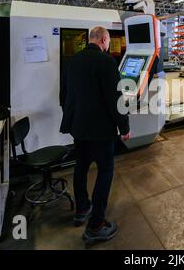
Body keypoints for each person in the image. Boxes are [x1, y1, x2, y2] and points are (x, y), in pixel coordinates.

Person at [60, 26, 131, 243]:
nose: (108, 45)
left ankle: (82, 209)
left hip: (78, 128)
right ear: (103, 40)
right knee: (105, 170)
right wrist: (124, 127)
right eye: (108, 41)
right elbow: (115, 99)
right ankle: (96, 224)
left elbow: (64, 95)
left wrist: (74, 119)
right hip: (101, 131)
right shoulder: (106, 62)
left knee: (80, 167)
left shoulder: (73, 61)